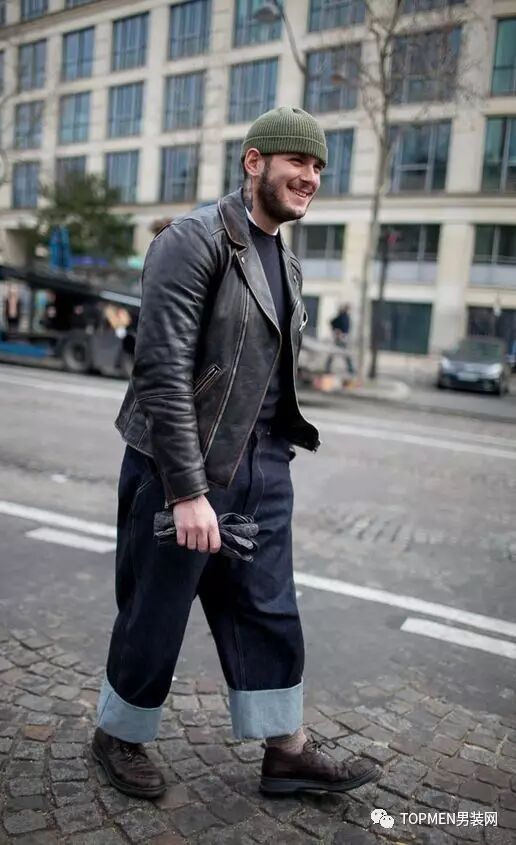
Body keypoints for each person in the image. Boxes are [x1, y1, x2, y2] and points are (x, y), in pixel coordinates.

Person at [92, 107, 379, 800]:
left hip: (262, 467)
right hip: (181, 467)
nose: (310, 177)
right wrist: (187, 491)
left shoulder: (287, 261)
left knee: (269, 609)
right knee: (156, 611)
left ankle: (287, 751)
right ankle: (118, 736)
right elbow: (161, 371)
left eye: (318, 166)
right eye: (297, 161)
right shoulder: (192, 241)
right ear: (255, 162)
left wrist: (275, 459)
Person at [325, 303, 355, 376]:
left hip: (344, 337)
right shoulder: (341, 317)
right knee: (336, 353)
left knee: (344, 354)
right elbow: (332, 322)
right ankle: (327, 368)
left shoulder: (346, 317)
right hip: (340, 338)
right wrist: (337, 332)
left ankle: (350, 369)